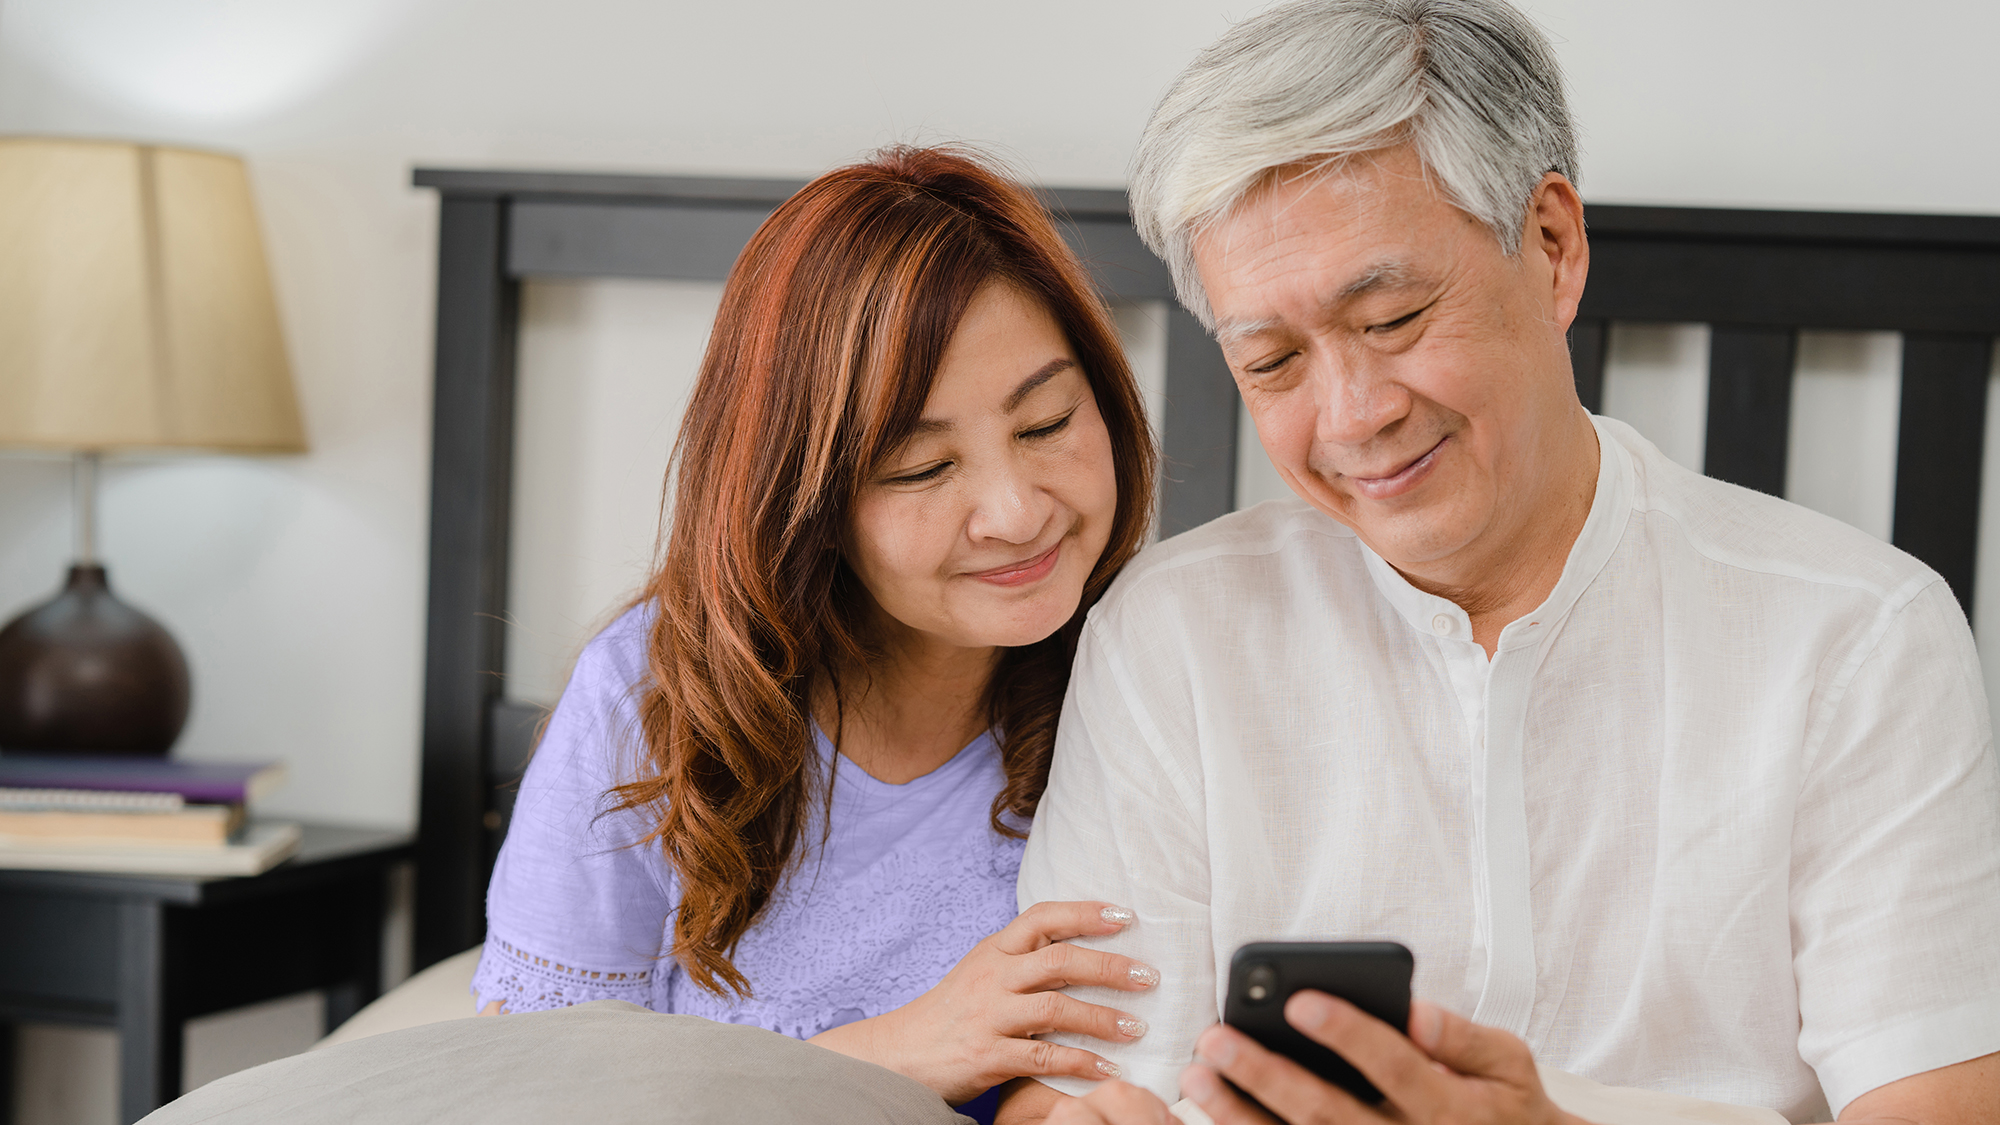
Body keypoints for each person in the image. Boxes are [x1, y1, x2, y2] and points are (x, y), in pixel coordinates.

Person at [997, 3, 2000, 1124]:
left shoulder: (1855, 638)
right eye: (1271, 361)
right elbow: (1081, 1090)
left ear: (1553, 248)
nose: (1352, 415)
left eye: (1391, 317)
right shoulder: (1169, 638)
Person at [472, 145, 1164, 1120]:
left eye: (1046, 422)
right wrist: (892, 1054)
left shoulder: (1154, 674)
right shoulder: (650, 697)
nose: (1013, 511)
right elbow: (534, 1095)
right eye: (923, 468)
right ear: (805, 499)